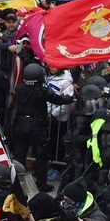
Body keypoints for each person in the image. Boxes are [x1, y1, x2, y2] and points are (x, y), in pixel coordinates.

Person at [12, 63, 71, 192]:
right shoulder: (42, 91)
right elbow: (57, 99)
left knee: (19, 155)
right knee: (41, 156)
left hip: (20, 124)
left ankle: (16, 181)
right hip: (37, 126)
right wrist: (69, 98)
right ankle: (42, 183)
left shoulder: (19, 89)